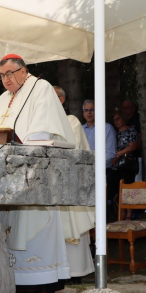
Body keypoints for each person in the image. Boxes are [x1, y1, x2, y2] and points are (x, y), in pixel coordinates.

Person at [0, 53, 78, 293]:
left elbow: (42, 125)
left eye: (10, 74)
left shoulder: (41, 87)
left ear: (23, 71)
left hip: (34, 169)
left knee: (33, 223)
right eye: (2, 76)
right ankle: (14, 281)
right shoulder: (2, 98)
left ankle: (38, 283)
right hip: (7, 171)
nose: (6, 80)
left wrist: (24, 149)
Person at [53, 86, 95, 280]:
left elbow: (75, 150)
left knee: (72, 224)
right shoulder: (43, 122)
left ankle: (77, 271)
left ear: (61, 100)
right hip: (51, 182)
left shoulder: (72, 121)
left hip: (70, 181)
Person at [111, 110, 138, 220]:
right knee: (118, 190)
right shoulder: (115, 133)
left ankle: (129, 215)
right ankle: (120, 214)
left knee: (128, 189)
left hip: (128, 164)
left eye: (118, 118)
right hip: (117, 165)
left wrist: (119, 154)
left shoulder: (131, 130)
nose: (116, 121)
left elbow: (132, 146)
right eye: (114, 119)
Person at [122, 100, 142, 181]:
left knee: (136, 180)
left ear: (133, 109)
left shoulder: (138, 120)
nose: (125, 110)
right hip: (123, 158)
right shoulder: (123, 121)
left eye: (127, 107)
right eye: (123, 108)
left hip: (136, 155)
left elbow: (141, 136)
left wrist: (136, 147)